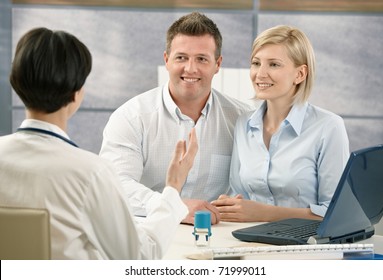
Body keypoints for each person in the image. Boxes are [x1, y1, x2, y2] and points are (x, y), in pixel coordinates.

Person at [0, 27, 198, 259]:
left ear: (16, 84)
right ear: (77, 93)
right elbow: (140, 257)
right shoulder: (90, 172)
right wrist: (172, 189)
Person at [99, 11, 253, 225]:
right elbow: (114, 186)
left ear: (217, 64)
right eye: (181, 57)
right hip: (149, 238)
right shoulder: (132, 117)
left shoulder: (242, 119)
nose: (190, 68)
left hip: (219, 238)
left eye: (201, 59)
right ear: (167, 60)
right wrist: (172, 205)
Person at [211, 25, 350, 222]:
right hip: (248, 242)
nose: (260, 73)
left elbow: (336, 213)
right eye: (256, 63)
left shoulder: (328, 127)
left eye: (274, 64)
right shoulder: (243, 124)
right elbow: (238, 195)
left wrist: (264, 214)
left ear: (300, 74)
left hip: (306, 248)